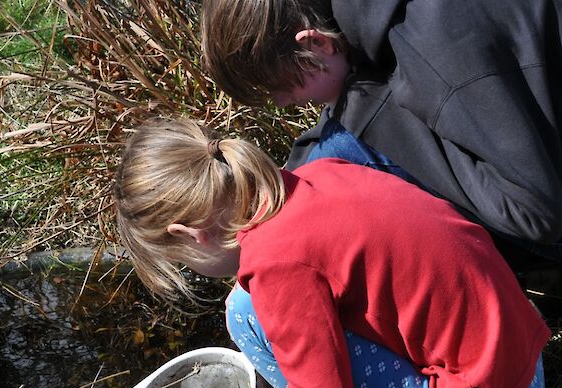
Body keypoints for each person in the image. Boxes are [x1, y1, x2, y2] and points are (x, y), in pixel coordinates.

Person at [114, 118, 550, 388]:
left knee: (246, 315)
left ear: (191, 235)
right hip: (524, 370)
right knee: (255, 305)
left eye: (181, 261)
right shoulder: (319, 173)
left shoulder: (277, 266)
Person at [200, 0, 562, 271]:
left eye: (279, 89)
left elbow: (534, 213)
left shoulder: (437, 42)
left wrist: (373, 116)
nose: (283, 104)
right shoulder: (375, 16)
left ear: (315, 44)